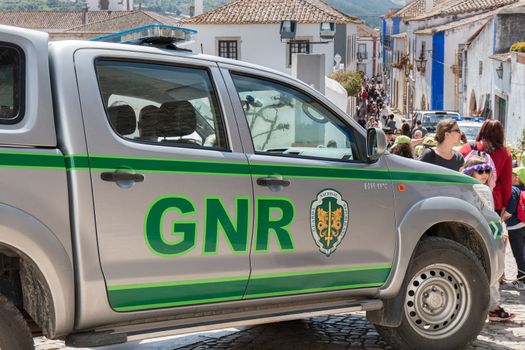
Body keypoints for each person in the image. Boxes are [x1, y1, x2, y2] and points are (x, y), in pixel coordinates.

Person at [461, 156, 516, 322]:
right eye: (480, 171)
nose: (485, 174)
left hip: (484, 234)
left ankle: (490, 306)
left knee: (490, 272)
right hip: (476, 236)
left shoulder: (482, 189)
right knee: (489, 271)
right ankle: (489, 307)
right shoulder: (472, 190)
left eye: (487, 170)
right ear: (470, 172)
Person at [460, 119, 512, 219]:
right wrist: (506, 205)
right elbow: (507, 183)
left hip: (468, 197)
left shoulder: (468, 147)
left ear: (482, 130)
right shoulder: (505, 153)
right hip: (493, 201)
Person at [504, 166, 525, 291]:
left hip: (515, 227)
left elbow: (509, 212)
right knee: (523, 253)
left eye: (511, 175)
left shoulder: (513, 190)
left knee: (519, 254)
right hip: (524, 224)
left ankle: (522, 281)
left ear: (516, 178)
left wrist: (499, 219)